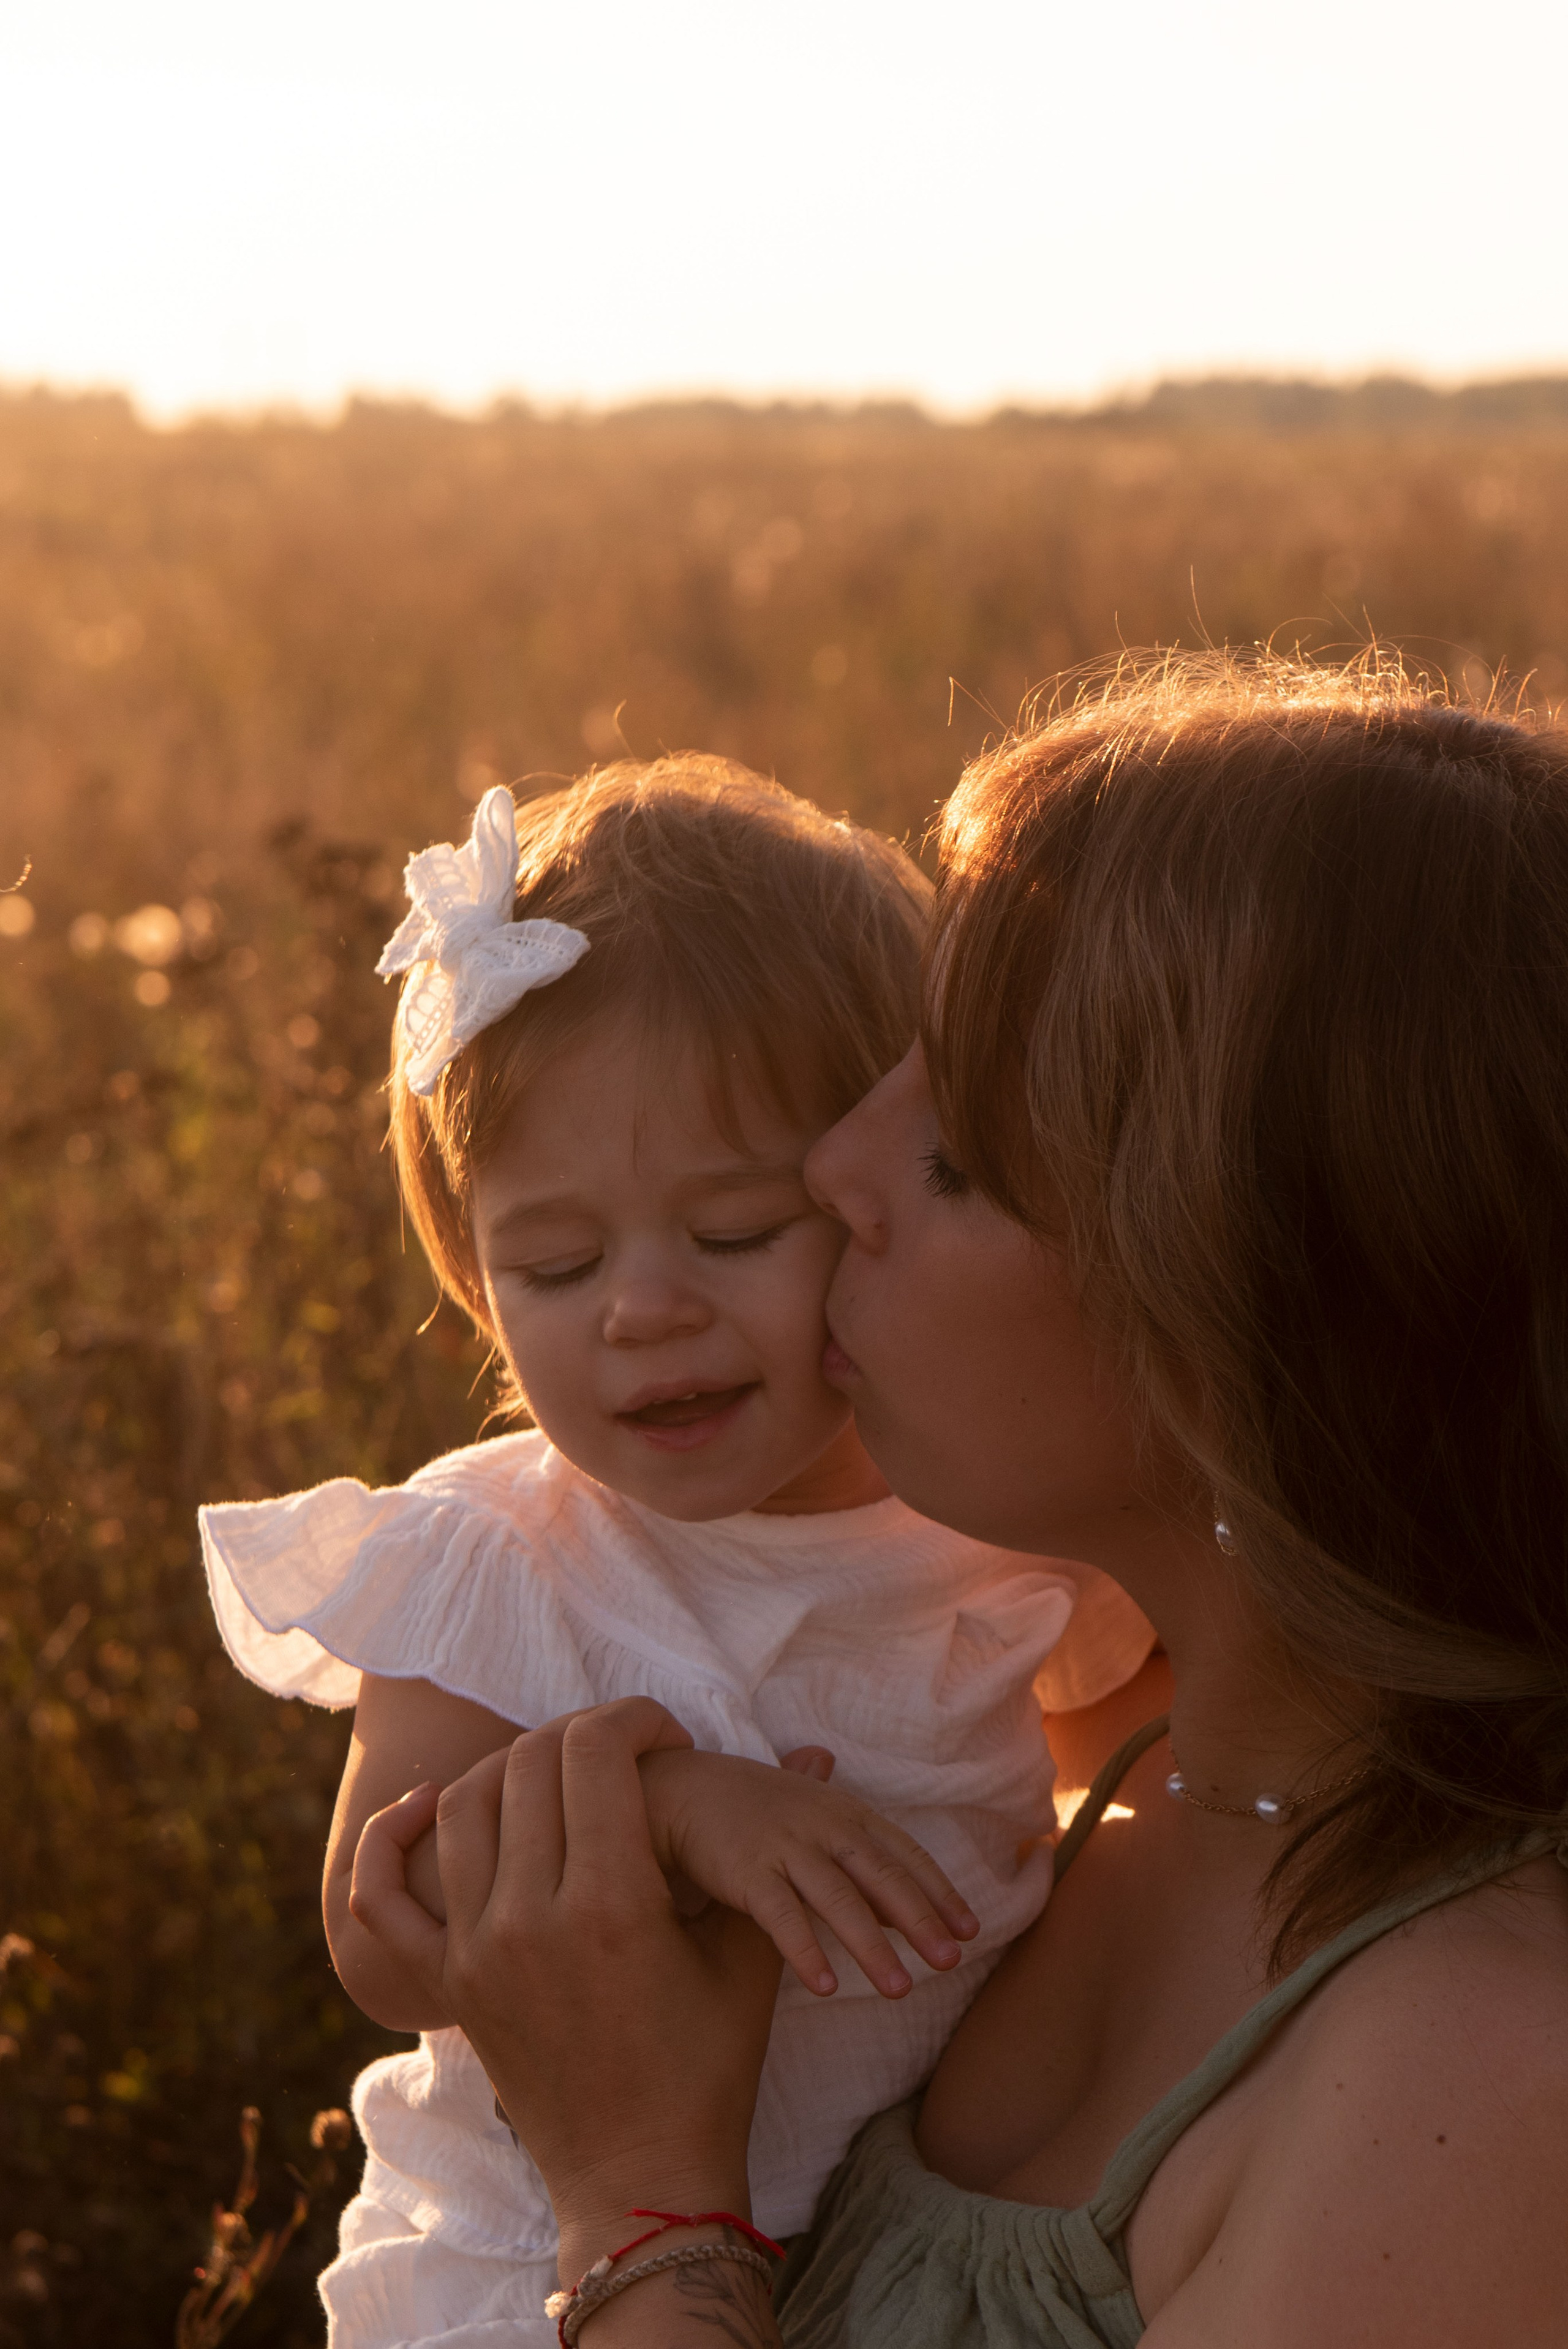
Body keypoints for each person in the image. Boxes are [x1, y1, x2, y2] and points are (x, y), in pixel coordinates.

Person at [360, 654, 1568, 2346]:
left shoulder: (1475, 2088)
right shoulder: (1140, 1776)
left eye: (960, 1152)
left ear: (1235, 1322)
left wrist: (642, 2201)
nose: (834, 1167)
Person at [198, 761, 1154, 2347]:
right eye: (554, 1263)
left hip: (906, 2267)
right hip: (538, 2272)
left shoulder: (984, 1519)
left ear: (876, 1195)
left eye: (732, 1234)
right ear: (472, 1270)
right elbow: (388, 1927)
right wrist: (674, 1810)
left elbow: (1126, 1747)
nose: (645, 1309)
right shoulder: (504, 1556)